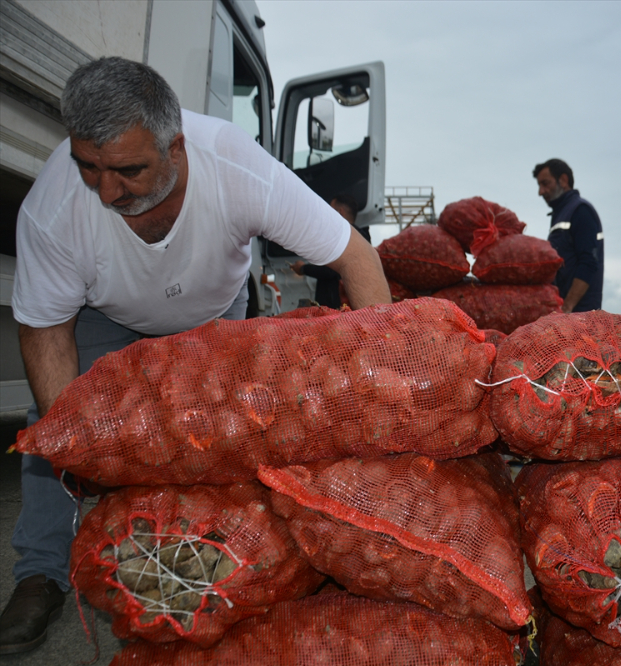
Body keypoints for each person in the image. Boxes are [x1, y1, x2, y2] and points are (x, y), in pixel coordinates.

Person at [0, 57, 390, 655]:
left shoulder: (234, 165)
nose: (106, 190)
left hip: (213, 315)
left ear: (176, 147)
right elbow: (44, 330)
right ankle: (41, 572)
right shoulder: (55, 211)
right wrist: (79, 441)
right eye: (89, 167)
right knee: (57, 429)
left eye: (127, 170)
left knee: (221, 440)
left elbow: (355, 259)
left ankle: (211, 559)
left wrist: (372, 378)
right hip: (108, 316)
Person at [533, 158, 604, 313]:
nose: (540, 192)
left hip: (581, 317)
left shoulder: (581, 211)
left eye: (545, 183)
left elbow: (589, 263)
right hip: (566, 316)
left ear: (563, 180)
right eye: (539, 185)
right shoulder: (561, 214)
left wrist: (567, 307)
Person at [290, 194, 371, 309]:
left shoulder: (344, 237)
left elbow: (330, 270)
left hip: (337, 308)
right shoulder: (362, 239)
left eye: (330, 211)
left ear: (340, 212)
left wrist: (303, 268)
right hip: (353, 307)